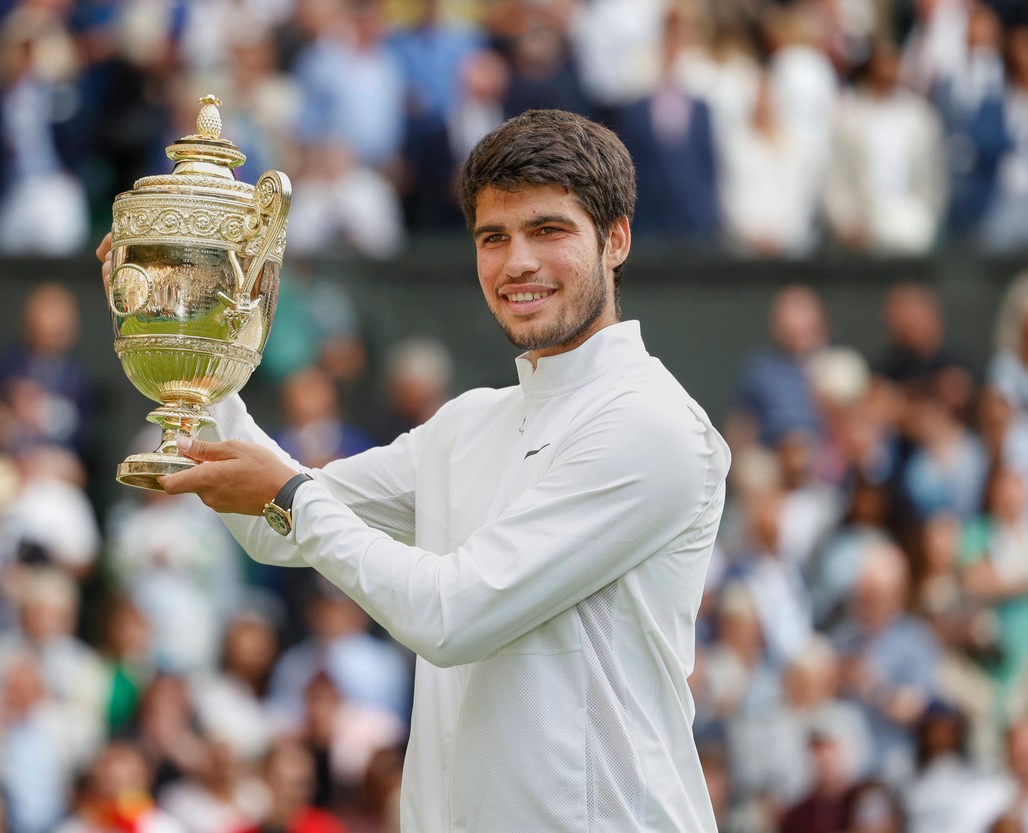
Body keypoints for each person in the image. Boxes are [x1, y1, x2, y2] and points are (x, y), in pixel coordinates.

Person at [98, 108, 731, 831]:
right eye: (493, 237)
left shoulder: (652, 424)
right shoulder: (470, 423)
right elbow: (275, 525)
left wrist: (290, 496)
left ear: (615, 239)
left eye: (548, 230)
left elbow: (451, 612)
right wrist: (191, 329)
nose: (517, 261)